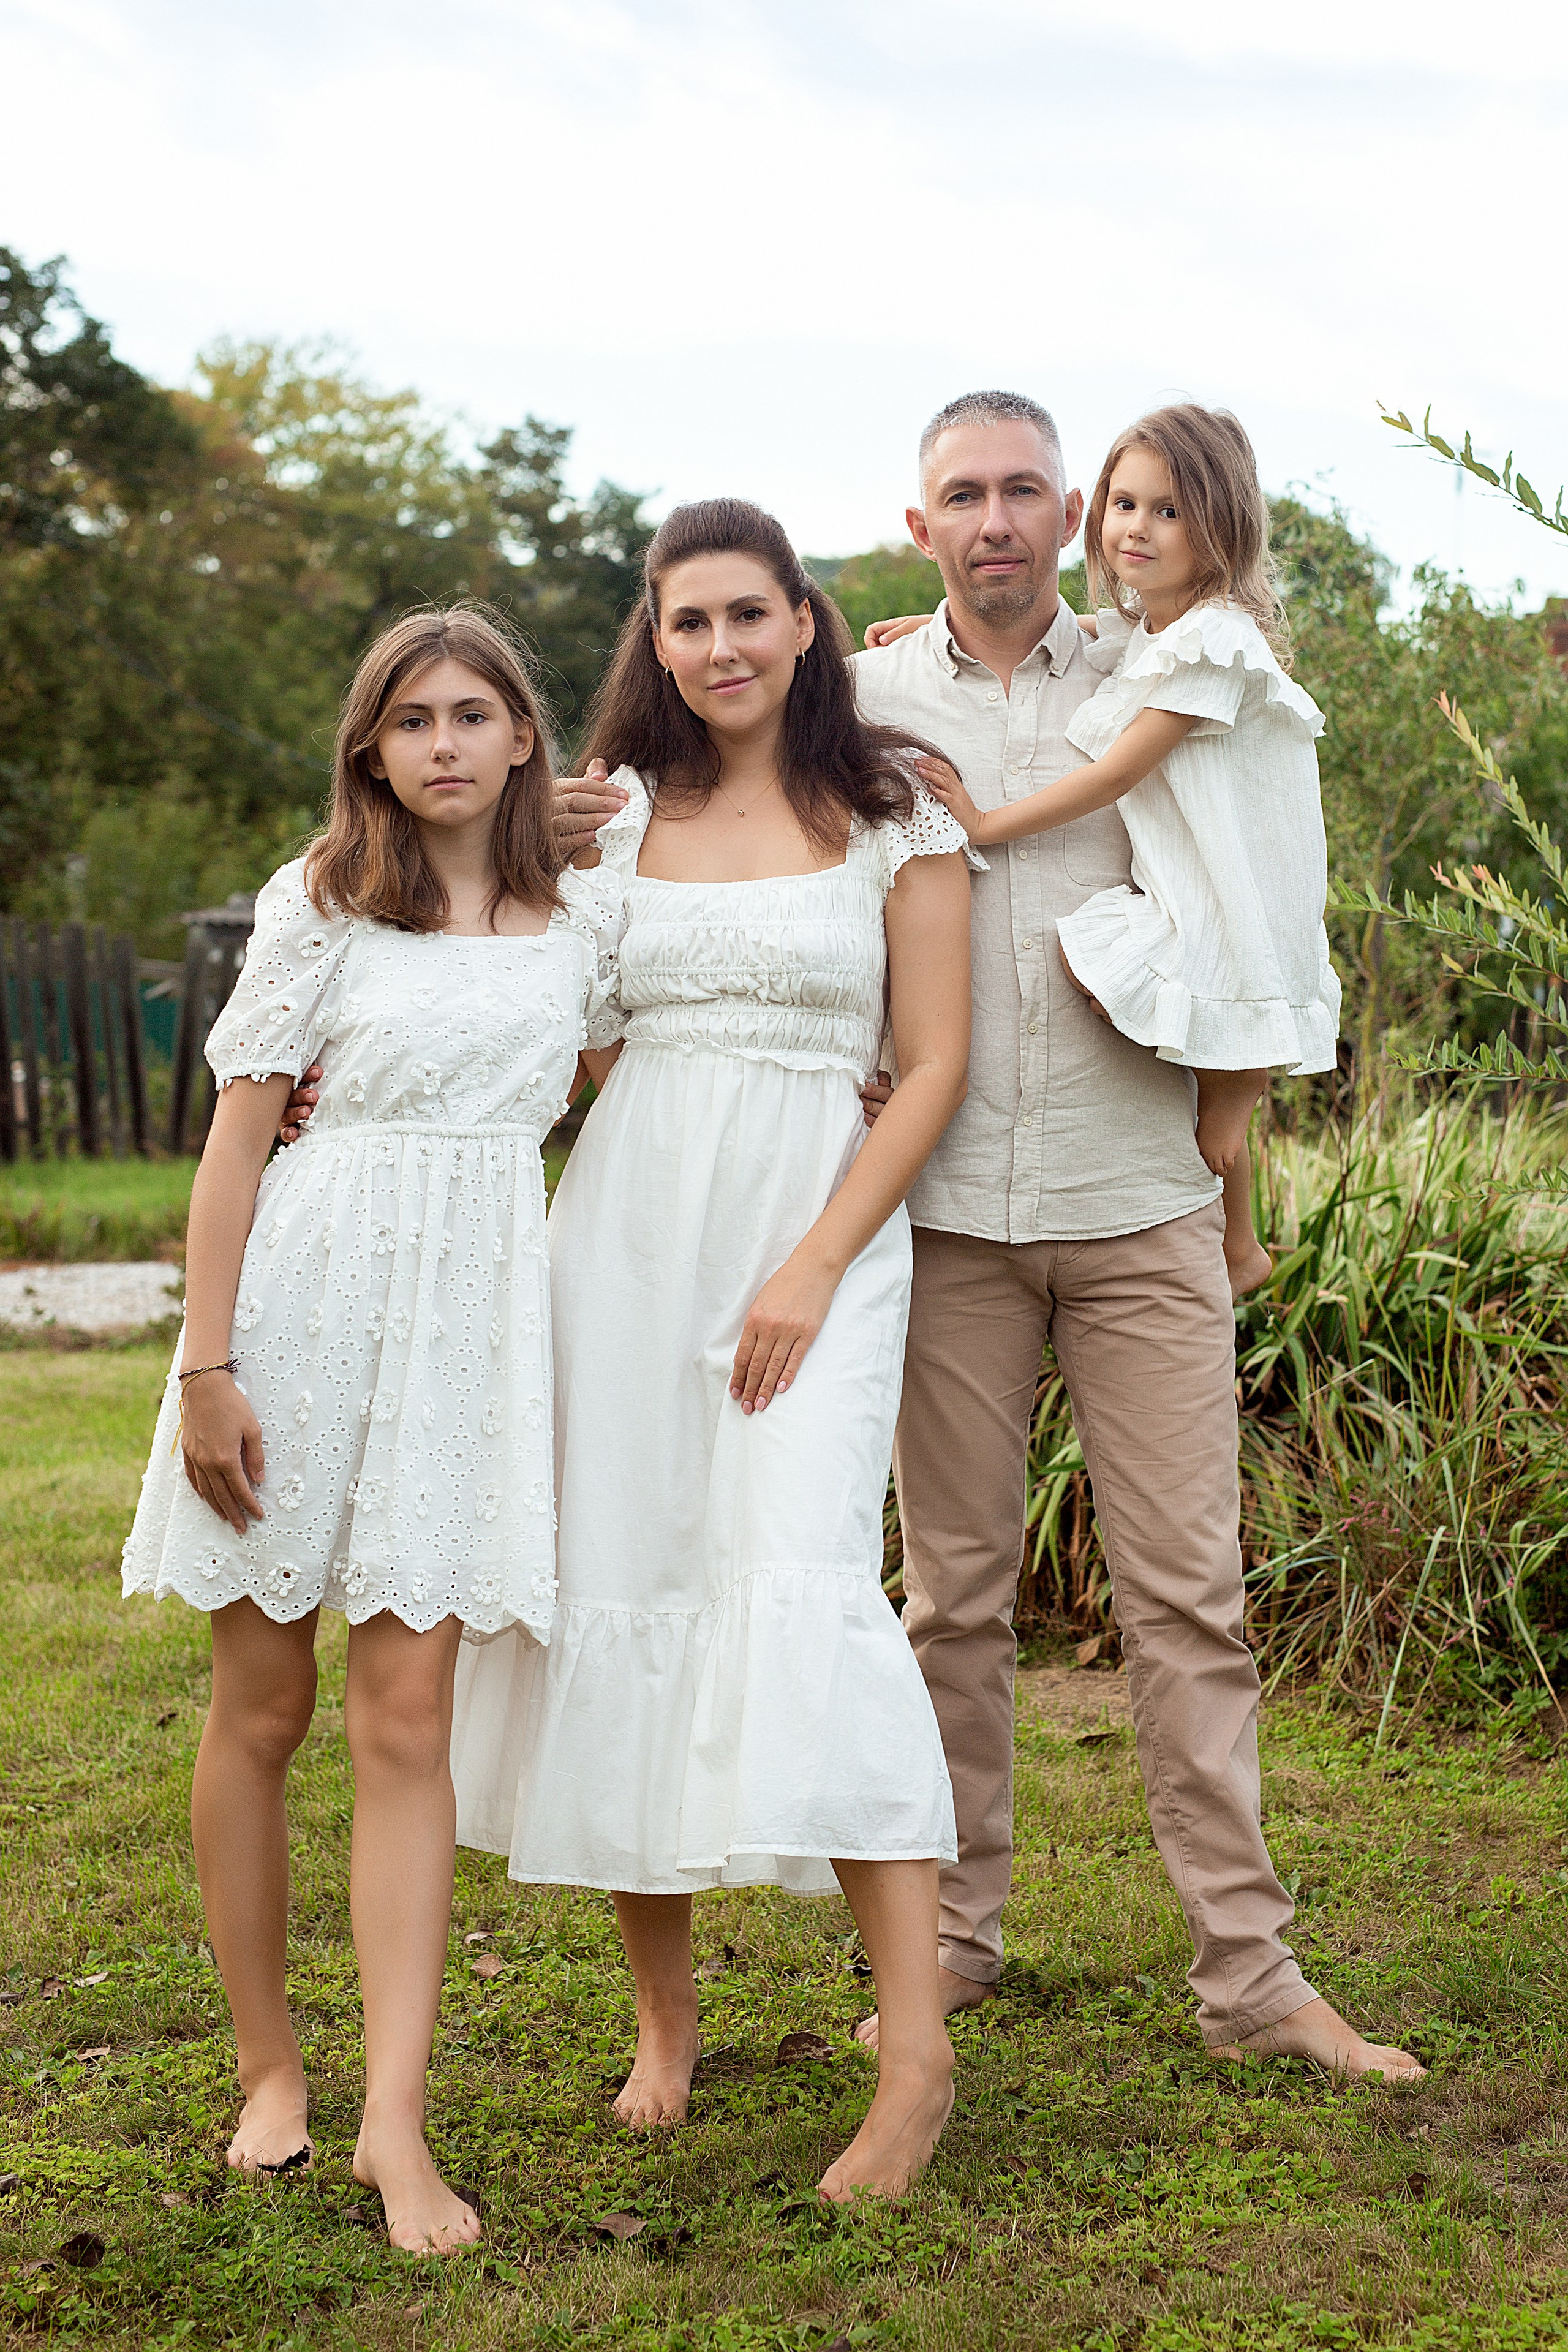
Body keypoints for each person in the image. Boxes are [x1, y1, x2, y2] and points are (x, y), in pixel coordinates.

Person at [555, 396, 1422, 2083]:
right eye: (964, 495)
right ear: (920, 524)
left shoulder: (1157, 670)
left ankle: (1250, 1972)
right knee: (951, 1603)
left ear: (1071, 507)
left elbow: (1255, 862)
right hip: (938, 1219)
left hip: (1140, 1195)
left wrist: (1239, 1107)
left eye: (1028, 489)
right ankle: (952, 1942)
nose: (998, 520)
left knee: (1190, 1602)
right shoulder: (858, 703)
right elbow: (710, 841)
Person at [449, 497, 974, 2199]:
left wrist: (812, 1264)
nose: (722, 645)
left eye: (750, 612)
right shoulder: (610, 824)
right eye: (690, 621)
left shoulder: (894, 811)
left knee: (809, 1583)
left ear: (806, 622)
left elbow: (934, 1063)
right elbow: (562, 1029)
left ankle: (915, 2057)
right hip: (625, 1235)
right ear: (657, 642)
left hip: (820, 1232)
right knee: (631, 1573)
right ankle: (665, 2025)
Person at [121, 605, 622, 2253]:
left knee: (408, 1719)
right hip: (298, 1312)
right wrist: (206, 1367)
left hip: (472, 1329)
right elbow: (236, 1144)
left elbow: (651, 1062)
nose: (444, 744)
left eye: (473, 713)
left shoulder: (586, 918)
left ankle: (393, 2123)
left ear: (523, 735)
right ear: (373, 752)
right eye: (411, 721)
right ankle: (270, 2066)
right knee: (263, 1706)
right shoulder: (320, 902)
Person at [919, 402, 1340, 1302]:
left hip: (1234, 881)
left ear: (1221, 528)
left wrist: (986, 824)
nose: (1137, 529)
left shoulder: (1216, 639)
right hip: (1191, 873)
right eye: (1126, 504)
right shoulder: (1153, 629)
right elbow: (1079, 633)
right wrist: (925, 623)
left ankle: (1239, 1199)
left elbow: (1115, 773)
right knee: (1152, 1006)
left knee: (1213, 1079)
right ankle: (1239, 1236)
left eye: (1169, 511)